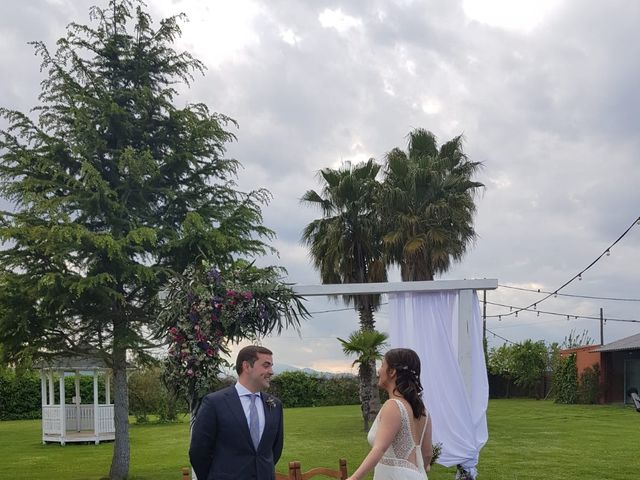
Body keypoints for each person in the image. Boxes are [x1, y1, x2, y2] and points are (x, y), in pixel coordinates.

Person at [189, 345, 284, 480]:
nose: (271, 371)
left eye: (271, 366)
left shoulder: (275, 405)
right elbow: (199, 452)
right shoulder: (215, 403)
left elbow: (275, 449)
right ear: (246, 366)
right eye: (266, 365)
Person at [346, 348, 433, 480]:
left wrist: (353, 478)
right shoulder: (423, 411)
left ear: (392, 372)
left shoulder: (393, 406)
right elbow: (427, 454)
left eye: (382, 365)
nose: (379, 371)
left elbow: (379, 449)